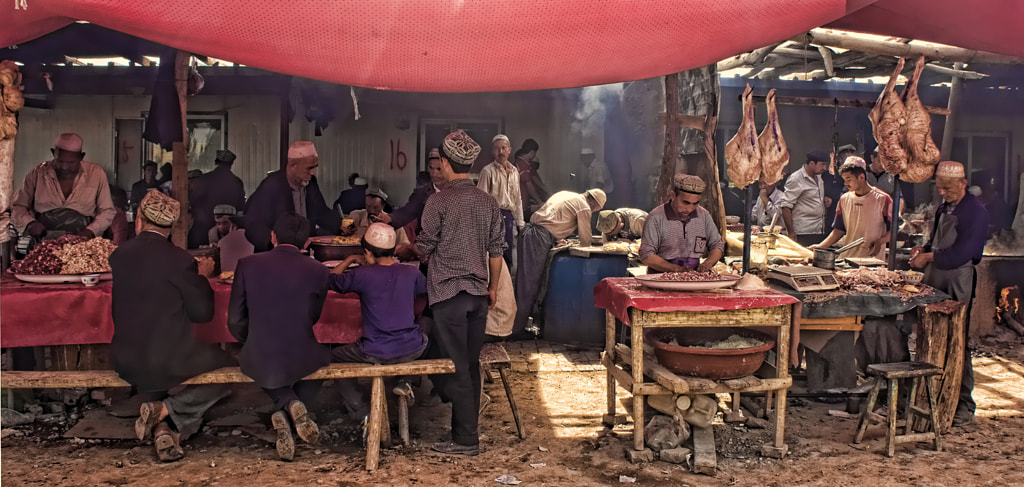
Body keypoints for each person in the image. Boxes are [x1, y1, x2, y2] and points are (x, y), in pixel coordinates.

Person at [108, 189, 230, 462]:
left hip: (124, 357)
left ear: (138, 217)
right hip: (166, 359)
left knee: (159, 374)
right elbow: (202, 314)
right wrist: (201, 277)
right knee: (227, 368)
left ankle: (166, 429)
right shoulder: (180, 261)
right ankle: (167, 411)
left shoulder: (119, 256)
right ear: (174, 226)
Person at [416, 130, 505, 456]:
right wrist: (492, 288)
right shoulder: (488, 201)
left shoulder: (438, 201)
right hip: (478, 295)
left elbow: (424, 247)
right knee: (469, 364)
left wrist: (408, 248)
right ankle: (465, 432)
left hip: (448, 294)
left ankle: (465, 439)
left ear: (445, 162)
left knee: (455, 366)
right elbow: (496, 252)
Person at [228, 214, 329, 461]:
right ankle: (291, 406)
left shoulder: (247, 264)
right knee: (323, 361)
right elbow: (313, 316)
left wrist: (250, 338)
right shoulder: (318, 270)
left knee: (257, 359)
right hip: (302, 350)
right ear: (307, 244)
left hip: (259, 350)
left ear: (272, 237)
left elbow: (234, 320)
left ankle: (285, 407)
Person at [911, 161, 989, 427]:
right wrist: (923, 250)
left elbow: (965, 251)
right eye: (939, 188)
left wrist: (931, 257)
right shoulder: (944, 206)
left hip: (958, 278)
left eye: (947, 188)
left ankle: (963, 403)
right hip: (937, 275)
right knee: (933, 338)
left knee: (957, 340)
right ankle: (933, 397)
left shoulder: (975, 211)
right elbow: (935, 239)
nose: (942, 193)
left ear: (963, 184)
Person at [328, 223, 430, 421]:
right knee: (426, 327)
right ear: (393, 250)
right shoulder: (411, 273)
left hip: (375, 351)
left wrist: (350, 259)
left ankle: (362, 411)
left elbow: (330, 280)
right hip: (412, 348)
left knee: (334, 358)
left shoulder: (361, 275)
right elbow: (424, 292)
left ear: (367, 251)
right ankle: (405, 381)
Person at [514, 188, 606, 336]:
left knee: (524, 281)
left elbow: (552, 218)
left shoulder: (567, 194)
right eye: (595, 210)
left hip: (531, 232)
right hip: (538, 237)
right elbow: (585, 239)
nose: (593, 212)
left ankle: (520, 324)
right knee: (529, 283)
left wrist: (557, 238)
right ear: (594, 204)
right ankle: (516, 330)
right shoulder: (583, 205)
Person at [12, 133, 116, 241]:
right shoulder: (37, 173)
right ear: (53, 153)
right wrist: (30, 223)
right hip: (43, 243)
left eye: (71, 163)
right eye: (60, 161)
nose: (64, 167)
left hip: (83, 246)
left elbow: (107, 211)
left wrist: (90, 231)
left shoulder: (96, 173)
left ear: (81, 157)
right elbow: (17, 206)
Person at [245, 141, 342, 252]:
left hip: (305, 252)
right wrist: (276, 245)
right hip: (276, 257)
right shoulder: (271, 186)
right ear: (292, 165)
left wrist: (339, 225)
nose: (313, 173)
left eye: (315, 167)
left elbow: (321, 212)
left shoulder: (311, 184)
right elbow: (253, 225)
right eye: (309, 168)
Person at [809, 157, 892, 260]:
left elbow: (894, 230)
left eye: (849, 179)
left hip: (872, 261)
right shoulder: (844, 199)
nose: (845, 183)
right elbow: (839, 230)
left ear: (861, 177)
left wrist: (880, 241)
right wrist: (820, 247)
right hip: (847, 259)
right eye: (844, 180)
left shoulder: (883, 199)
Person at [639, 174, 724, 273]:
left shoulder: (704, 215)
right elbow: (646, 255)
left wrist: (707, 264)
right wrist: (677, 269)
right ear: (673, 196)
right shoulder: (655, 218)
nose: (690, 209)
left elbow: (717, 245)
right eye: (685, 203)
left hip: (693, 277)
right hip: (661, 278)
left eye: (695, 203)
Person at [477, 134, 525, 268]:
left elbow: (517, 199)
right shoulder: (487, 171)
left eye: (504, 148)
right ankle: (493, 287)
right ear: (492, 151)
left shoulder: (514, 171)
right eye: (497, 148)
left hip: (508, 217)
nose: (501, 151)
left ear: (509, 150)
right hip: (493, 217)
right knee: (494, 254)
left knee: (508, 254)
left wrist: (520, 223)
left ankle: (507, 286)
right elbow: (481, 199)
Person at [190, 149, 246, 248]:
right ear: (231, 164)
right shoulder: (237, 182)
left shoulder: (205, 179)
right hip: (228, 232)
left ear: (216, 162)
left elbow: (194, 202)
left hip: (203, 230)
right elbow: (241, 208)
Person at [780, 150, 832, 247]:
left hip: (819, 229)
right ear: (812, 163)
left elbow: (811, 196)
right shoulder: (796, 178)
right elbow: (785, 206)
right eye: (822, 165)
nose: (825, 168)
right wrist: (791, 232)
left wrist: (824, 199)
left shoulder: (819, 177)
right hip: (803, 231)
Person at [389, 148, 443, 230]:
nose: (434, 173)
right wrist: (390, 218)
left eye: (439, 169)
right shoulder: (421, 193)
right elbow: (407, 212)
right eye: (431, 168)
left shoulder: (459, 193)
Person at [343, 188, 411, 248]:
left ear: (383, 206)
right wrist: (344, 230)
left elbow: (404, 245)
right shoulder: (356, 216)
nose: (372, 211)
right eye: (368, 206)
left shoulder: (394, 222)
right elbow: (343, 235)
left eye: (376, 207)